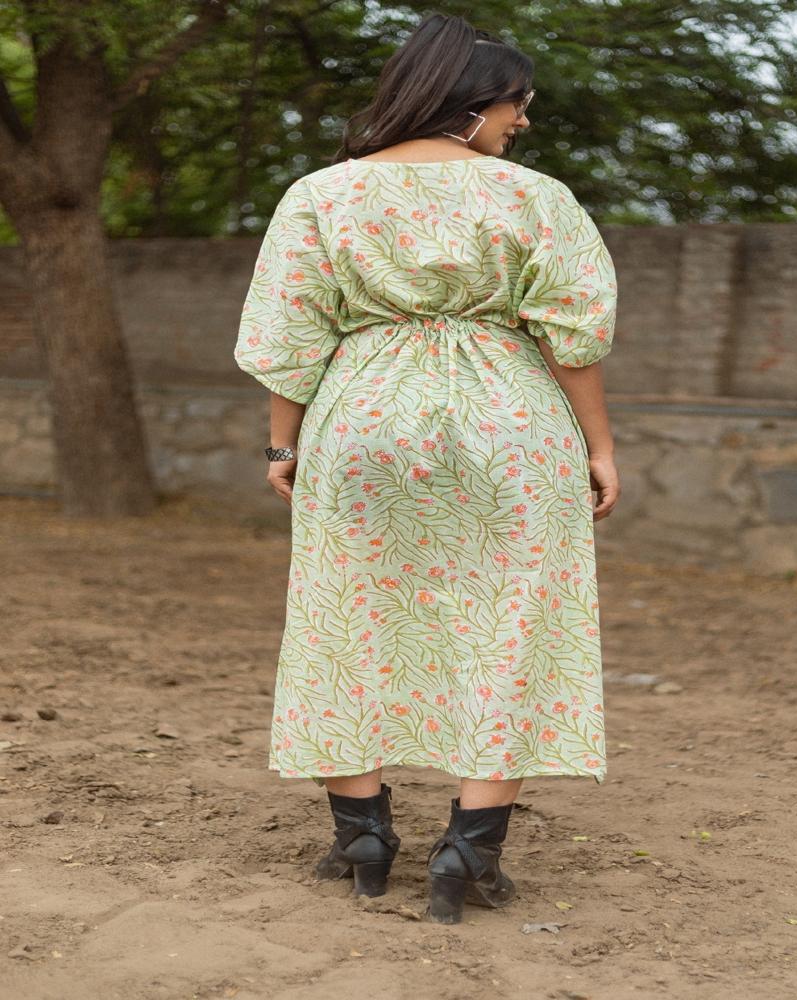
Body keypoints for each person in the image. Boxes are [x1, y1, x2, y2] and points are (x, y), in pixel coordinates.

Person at [233, 12, 620, 924]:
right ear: (476, 104)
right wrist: (599, 445)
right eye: (517, 105)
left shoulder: (321, 195)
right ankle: (469, 854)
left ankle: (362, 836)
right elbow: (573, 338)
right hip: (509, 423)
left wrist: (282, 445)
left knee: (345, 613)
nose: (520, 123)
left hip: (362, 417)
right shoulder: (537, 200)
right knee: (516, 619)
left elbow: (291, 338)